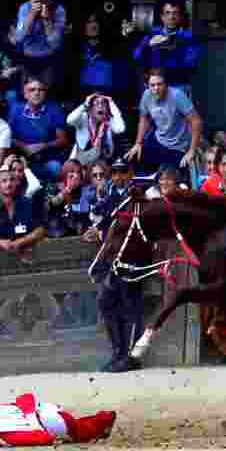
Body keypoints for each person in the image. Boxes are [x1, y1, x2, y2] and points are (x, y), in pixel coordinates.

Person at [86, 158, 144, 373]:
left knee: (131, 307)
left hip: (133, 259)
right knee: (107, 302)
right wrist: (95, 230)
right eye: (115, 173)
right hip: (113, 260)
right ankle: (118, 352)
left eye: (123, 173)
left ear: (130, 174)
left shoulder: (137, 196)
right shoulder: (112, 196)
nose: (118, 177)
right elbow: (103, 222)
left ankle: (130, 357)